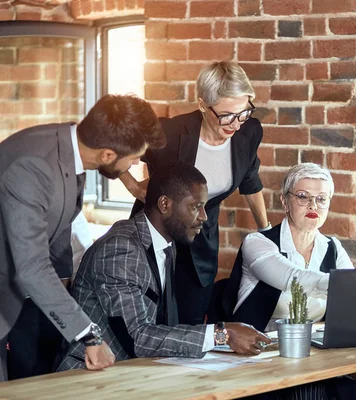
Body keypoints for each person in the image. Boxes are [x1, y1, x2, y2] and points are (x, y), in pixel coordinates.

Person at [0, 94, 165, 381]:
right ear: (108, 155)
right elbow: (32, 267)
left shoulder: (69, 150)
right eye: (135, 156)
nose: (137, 162)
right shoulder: (33, 167)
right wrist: (89, 335)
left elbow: (59, 229)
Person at [56, 162, 270, 371]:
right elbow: (138, 337)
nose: (204, 217)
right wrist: (223, 334)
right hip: (87, 376)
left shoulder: (166, 243)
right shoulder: (121, 249)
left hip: (133, 373)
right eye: (196, 207)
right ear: (165, 204)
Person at [120, 61, 269, 326]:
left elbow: (250, 179)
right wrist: (132, 185)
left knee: (190, 322)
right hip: (152, 238)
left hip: (201, 242)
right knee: (143, 323)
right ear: (202, 105)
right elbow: (114, 142)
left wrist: (267, 233)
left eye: (243, 112)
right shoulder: (171, 133)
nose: (235, 124)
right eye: (226, 115)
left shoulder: (249, 132)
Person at [221, 163, 353, 333]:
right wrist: (347, 283)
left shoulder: (333, 247)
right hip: (257, 349)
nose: (313, 205)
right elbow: (293, 278)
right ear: (284, 201)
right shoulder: (257, 242)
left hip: (314, 348)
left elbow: (352, 296)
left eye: (321, 199)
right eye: (303, 196)